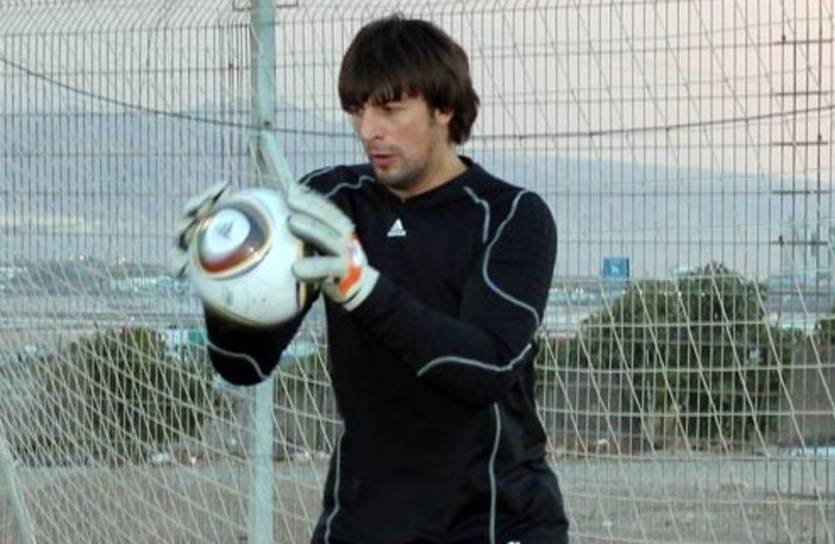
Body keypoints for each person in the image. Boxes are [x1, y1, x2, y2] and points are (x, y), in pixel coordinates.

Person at [173, 14, 568, 544]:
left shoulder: (510, 215)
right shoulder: (331, 202)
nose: (368, 131)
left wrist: (364, 290)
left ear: (443, 108)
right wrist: (223, 284)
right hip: (362, 523)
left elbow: (488, 367)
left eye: (389, 109)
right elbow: (245, 365)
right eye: (358, 110)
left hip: (493, 521)